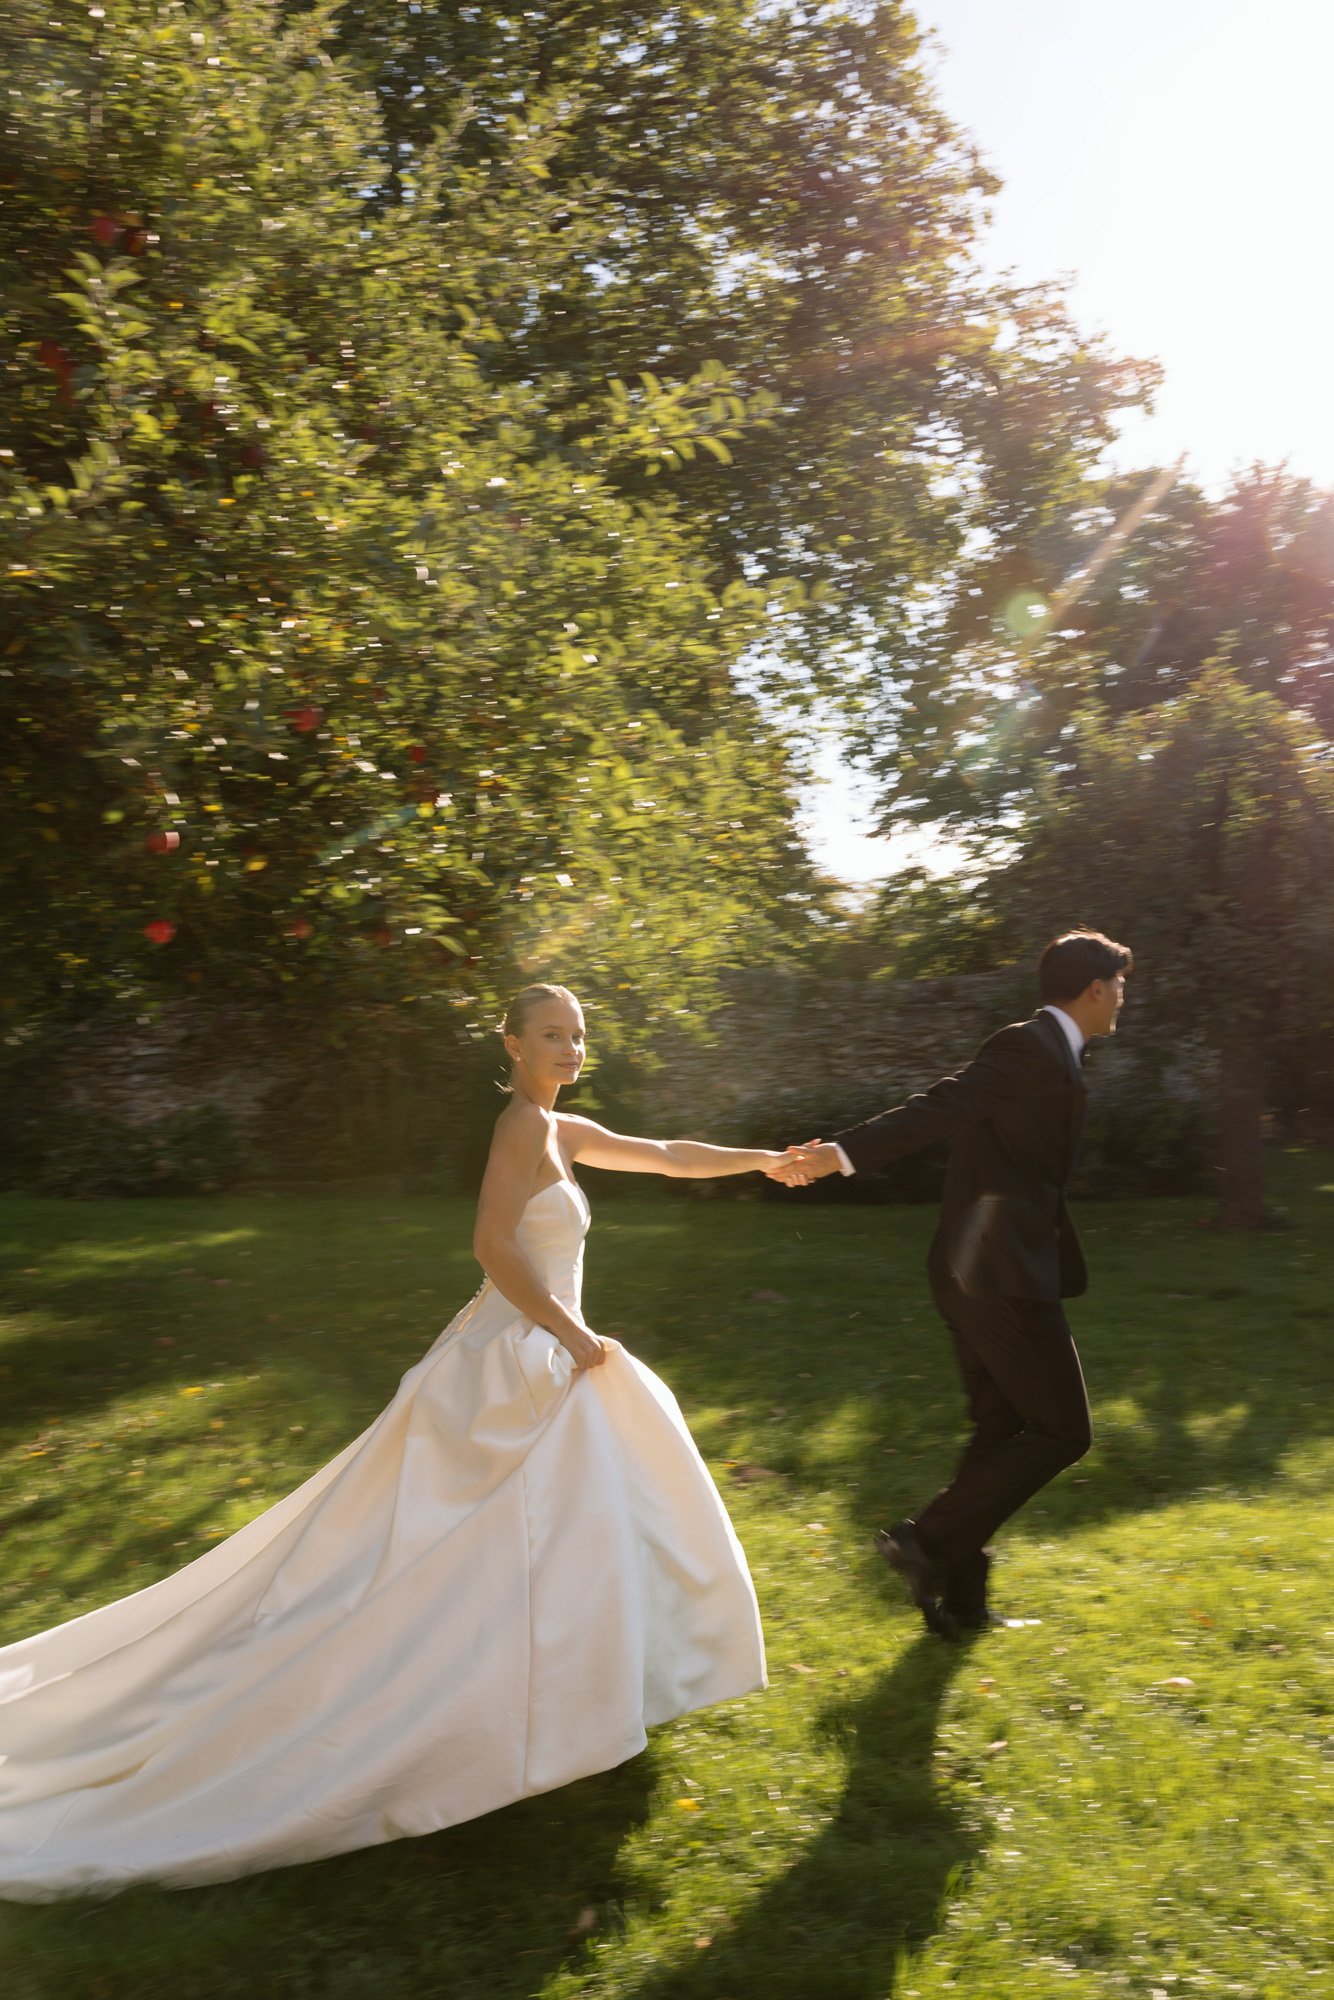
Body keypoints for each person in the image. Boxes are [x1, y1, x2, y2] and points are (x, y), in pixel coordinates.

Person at [0, 983, 776, 1901]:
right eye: (550, 1034)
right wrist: (570, 1336)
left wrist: (765, 1158)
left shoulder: (564, 1131)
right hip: (522, 1355)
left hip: (543, 1346)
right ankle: (482, 1709)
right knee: (492, 1536)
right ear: (513, 1044)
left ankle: (563, 1705)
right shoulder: (522, 1126)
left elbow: (665, 1155)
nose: (568, 1047)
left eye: (577, 1034)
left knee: (580, 1520)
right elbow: (493, 1244)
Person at [772, 931, 1132, 1638]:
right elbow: (939, 1106)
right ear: (1095, 988)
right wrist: (838, 1155)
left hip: (989, 1270)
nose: (1124, 998)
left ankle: (964, 1604)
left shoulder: (1055, 1051)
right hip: (996, 1276)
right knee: (1064, 1429)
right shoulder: (1028, 1046)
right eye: (1121, 985)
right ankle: (925, 1543)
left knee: (1001, 1431)